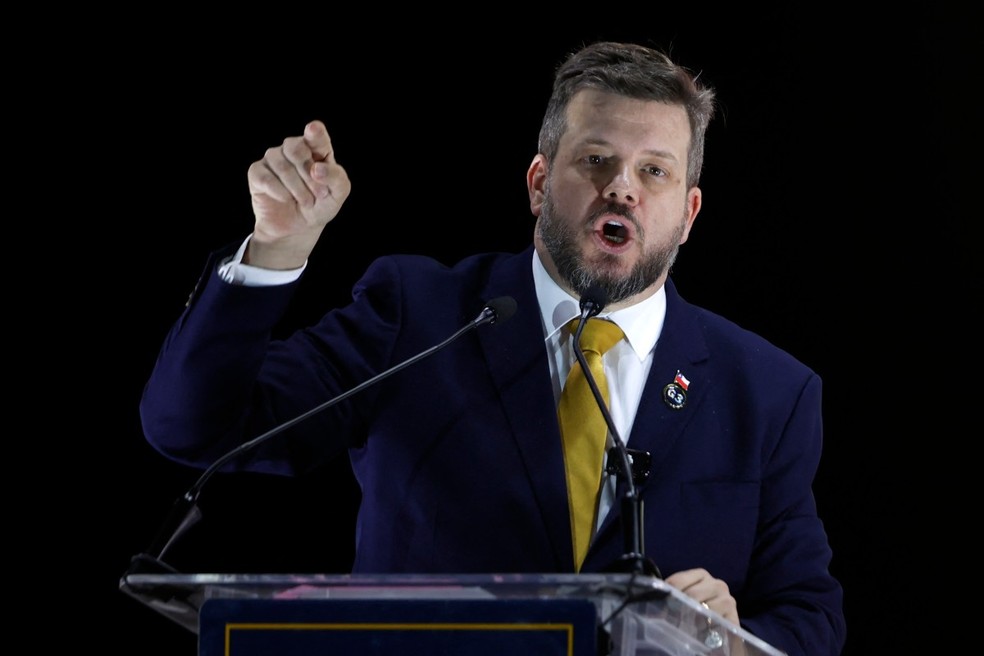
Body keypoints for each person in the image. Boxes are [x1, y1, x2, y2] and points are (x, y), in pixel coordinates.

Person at [139, 41, 846, 655]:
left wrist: (729, 643)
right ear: (539, 183)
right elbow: (193, 426)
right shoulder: (418, 316)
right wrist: (275, 248)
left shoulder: (769, 393)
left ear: (688, 213)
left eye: (654, 171)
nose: (621, 190)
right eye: (596, 159)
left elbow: (810, 620)